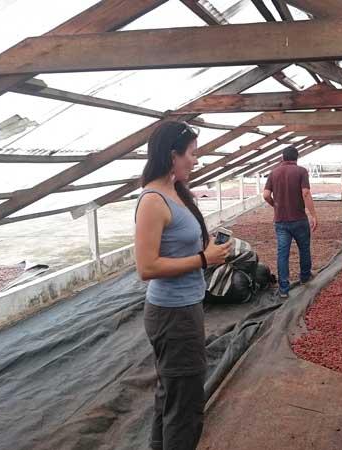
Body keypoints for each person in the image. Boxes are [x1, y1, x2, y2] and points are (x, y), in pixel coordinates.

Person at [134, 121, 232, 450]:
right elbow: (146, 267)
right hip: (173, 316)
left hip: (183, 308)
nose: (195, 160)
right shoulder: (152, 200)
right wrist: (204, 261)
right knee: (185, 406)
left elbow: (181, 244)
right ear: (172, 155)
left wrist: (207, 250)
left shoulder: (175, 192)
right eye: (191, 153)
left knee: (171, 397)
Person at [263, 145, 318, 299]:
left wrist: (275, 205)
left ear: (282, 157)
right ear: (296, 158)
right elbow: (305, 193)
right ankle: (305, 277)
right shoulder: (301, 171)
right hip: (299, 218)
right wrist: (313, 215)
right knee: (304, 248)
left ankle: (283, 289)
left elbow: (266, 195)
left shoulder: (274, 173)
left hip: (281, 221)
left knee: (282, 254)